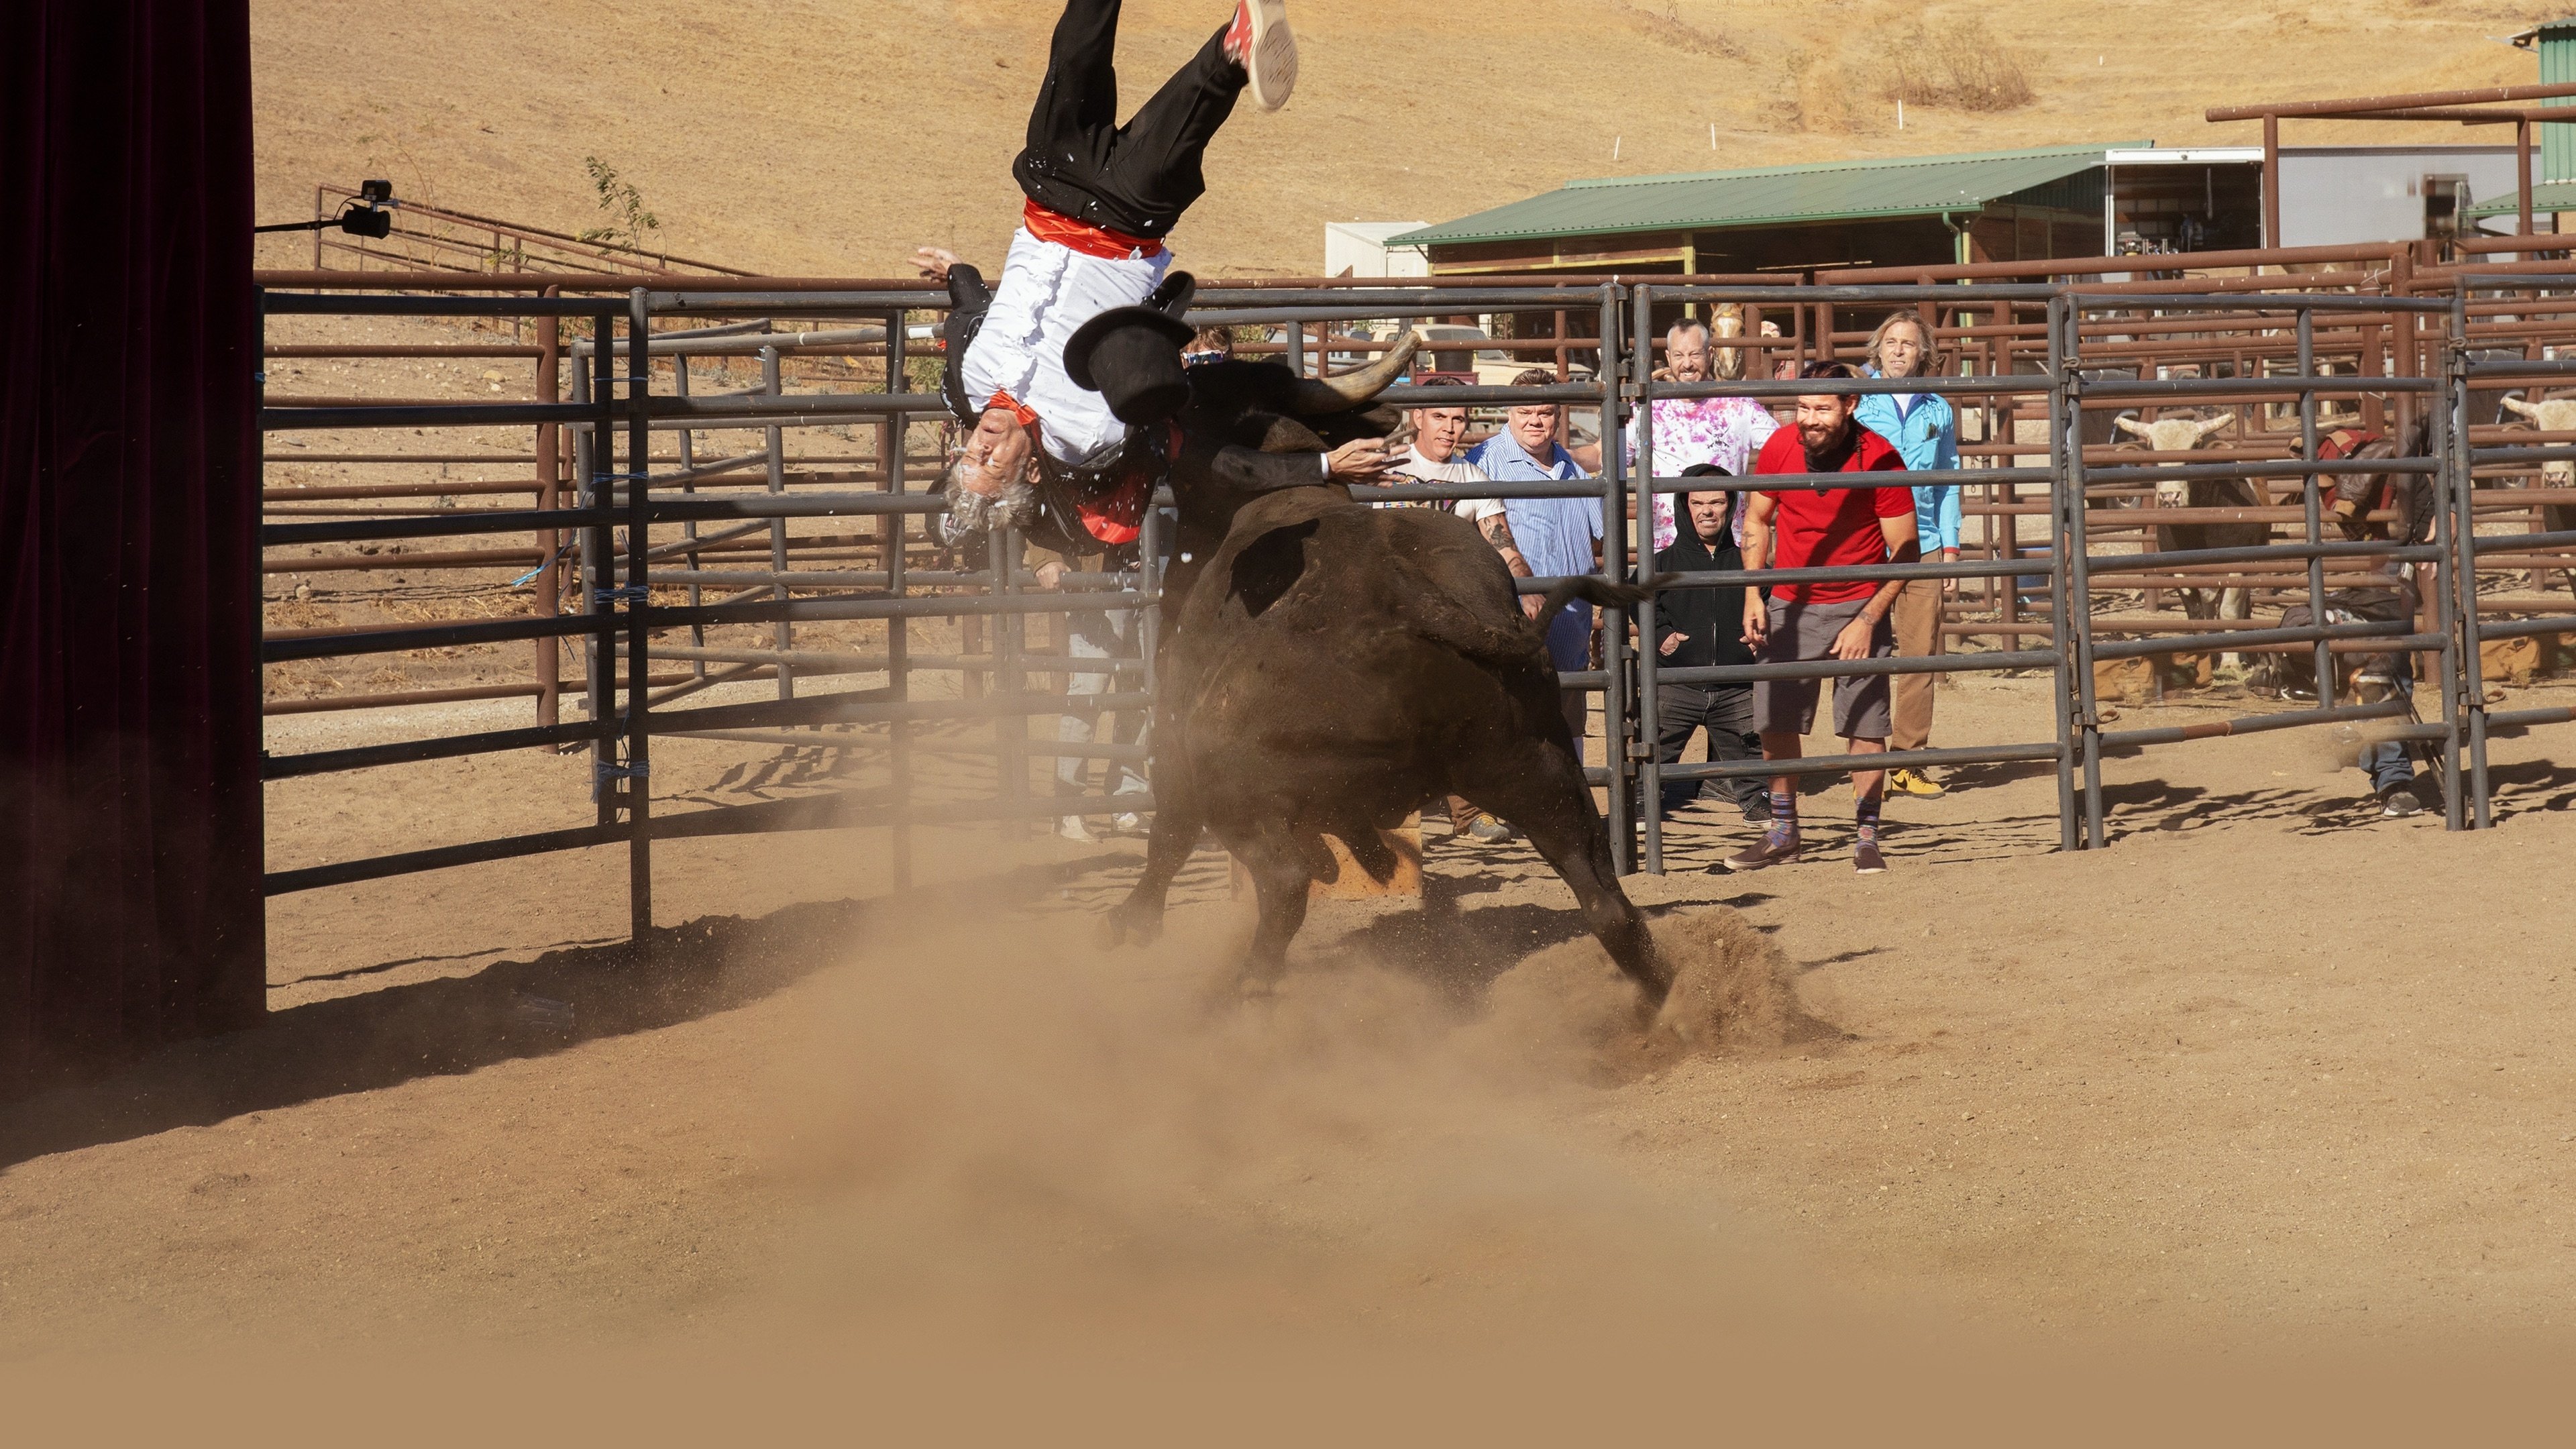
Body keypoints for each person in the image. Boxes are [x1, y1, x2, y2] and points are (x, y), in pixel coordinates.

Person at [914, 0, 1299, 543]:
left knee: (1075, 52)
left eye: (971, 452)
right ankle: (1238, 43)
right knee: (1196, 102)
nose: (984, 443)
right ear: (1029, 471)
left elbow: (976, 309)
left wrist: (957, 270)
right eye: (993, 462)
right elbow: (1151, 419)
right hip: (1128, 218)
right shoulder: (1089, 433)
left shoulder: (970, 383)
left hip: (1054, 189)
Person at [1729, 362, 1919, 876]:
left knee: (1865, 725)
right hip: (1790, 603)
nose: (1810, 419)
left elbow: (1906, 549)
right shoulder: (1780, 447)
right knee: (1775, 720)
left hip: (1861, 603)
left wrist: (1867, 619)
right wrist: (1754, 595)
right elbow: (1757, 518)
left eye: (1822, 409)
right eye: (1803, 408)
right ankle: (1785, 832)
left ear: (1850, 407)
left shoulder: (1881, 457)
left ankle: (1867, 836)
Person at [1384, 376, 1513, 844]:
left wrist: (1529, 587)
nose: (1451, 428)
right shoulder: (1385, 468)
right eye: (1440, 417)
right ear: (1417, 418)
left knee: (1459, 705)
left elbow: (1501, 543)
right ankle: (1388, 812)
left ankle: (1472, 810)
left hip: (1448, 611)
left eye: (1459, 419)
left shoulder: (1472, 478)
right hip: (1388, 607)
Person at [1852, 313, 1962, 800]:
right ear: (1878, 351)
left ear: (1923, 353)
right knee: (1865, 653)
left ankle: (1907, 760)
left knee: (1920, 656)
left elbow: (1949, 478)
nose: (1899, 351)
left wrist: (1953, 546)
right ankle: (1867, 761)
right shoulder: (1856, 403)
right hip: (1868, 545)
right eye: (1891, 342)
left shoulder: (1938, 408)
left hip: (1926, 544)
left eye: (1909, 344)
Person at [1467, 368, 1603, 743]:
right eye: (1525, 411)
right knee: (1513, 734)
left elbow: (1601, 537)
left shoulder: (1571, 467)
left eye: (1544, 412)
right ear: (1509, 412)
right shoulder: (1484, 462)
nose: (1534, 421)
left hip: (1570, 634)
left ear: (1558, 417)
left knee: (1569, 736)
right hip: (1514, 628)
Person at [1647, 465, 1768, 824]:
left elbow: (1769, 603)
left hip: (1735, 684)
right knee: (1651, 748)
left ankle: (1753, 796)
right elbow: (1638, 605)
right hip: (1677, 682)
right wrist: (1660, 635)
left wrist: (1759, 636)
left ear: (1730, 505)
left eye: (1717, 501)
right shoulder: (1662, 564)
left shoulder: (1750, 563)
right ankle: (1644, 797)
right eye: (1697, 502)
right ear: (1684, 506)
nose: (1707, 511)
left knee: (1752, 756)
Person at [1627, 312, 1780, 552]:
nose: (1687, 364)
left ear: (1709, 355)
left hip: (1727, 543)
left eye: (1695, 354)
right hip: (1668, 546)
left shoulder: (1738, 405)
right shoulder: (1648, 410)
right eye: (1679, 355)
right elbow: (1604, 454)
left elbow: (1782, 445)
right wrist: (1558, 455)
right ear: (1668, 358)